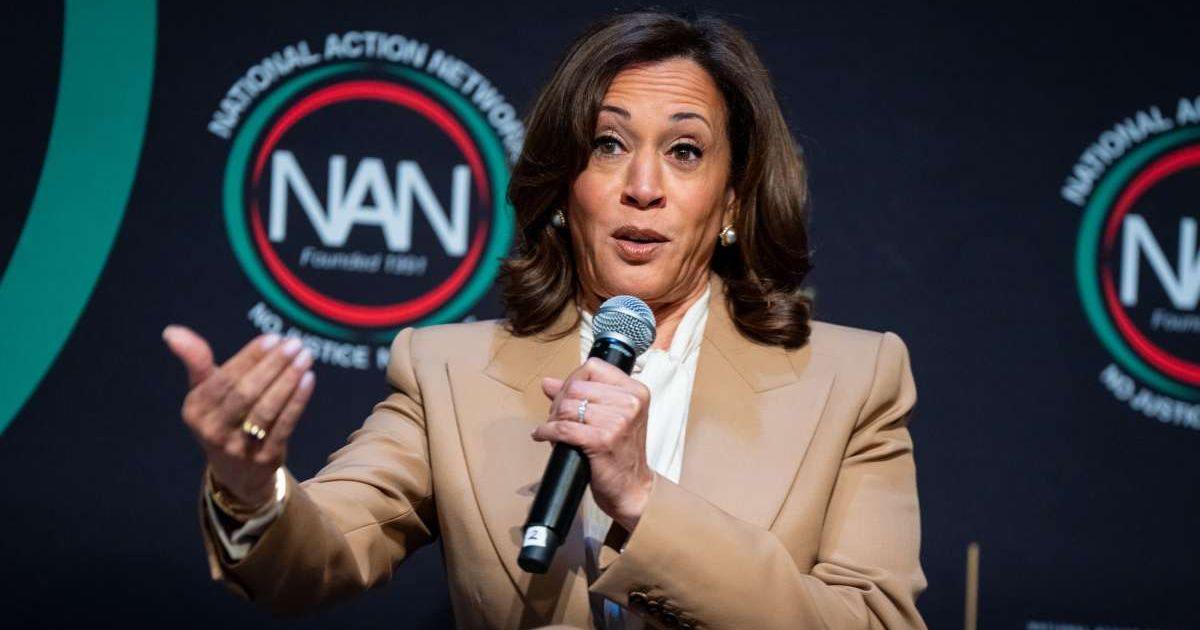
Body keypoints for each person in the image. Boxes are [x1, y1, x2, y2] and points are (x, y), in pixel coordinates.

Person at [163, 9, 927, 630]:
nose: (644, 186)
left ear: (732, 199)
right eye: (608, 144)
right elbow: (318, 558)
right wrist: (250, 484)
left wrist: (643, 500)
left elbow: (874, 622)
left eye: (686, 151)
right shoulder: (450, 372)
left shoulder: (852, 380)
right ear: (565, 187)